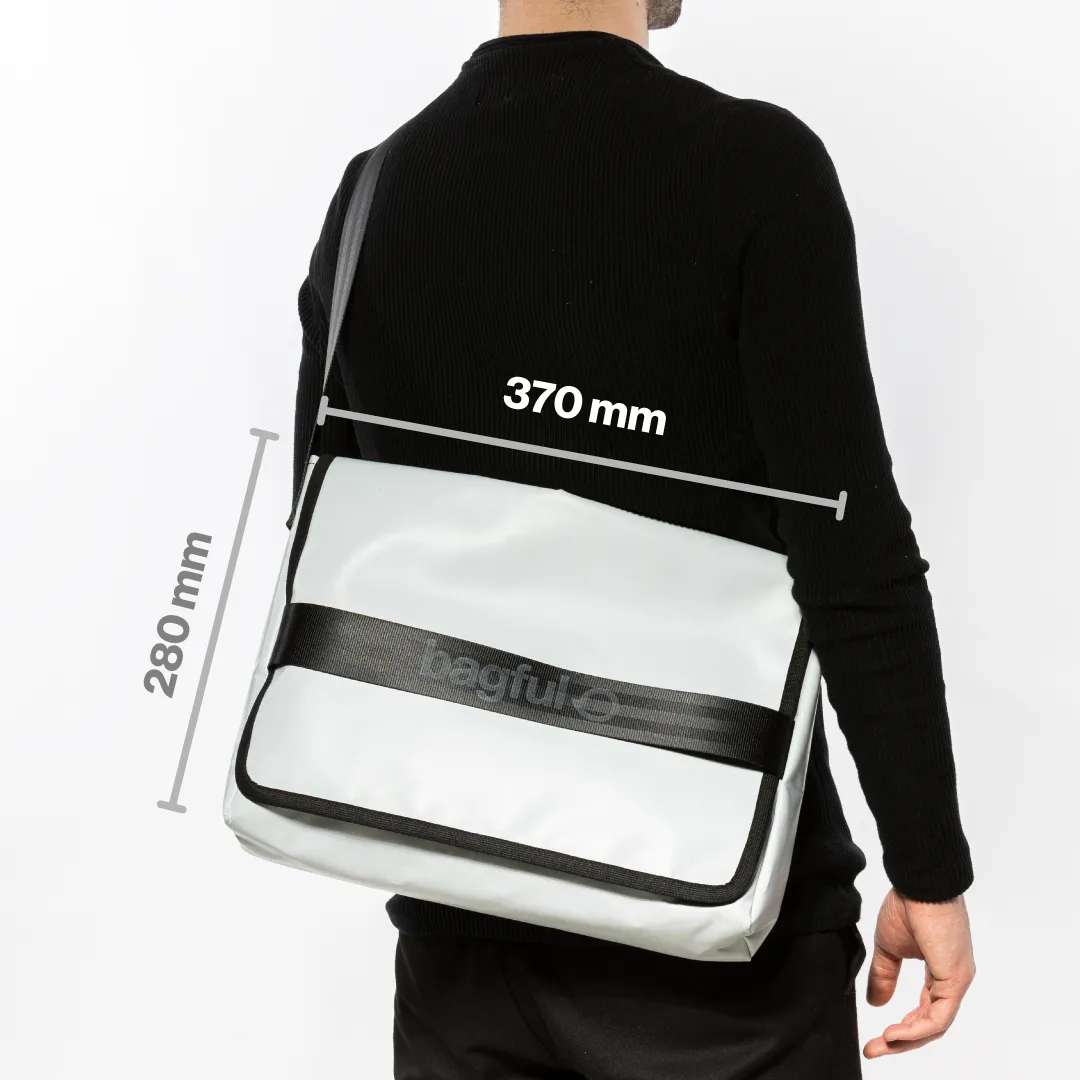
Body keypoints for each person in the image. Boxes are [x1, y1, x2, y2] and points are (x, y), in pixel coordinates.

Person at [292, 2, 976, 1076]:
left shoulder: (375, 192)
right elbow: (852, 551)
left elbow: (325, 533)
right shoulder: (753, 168)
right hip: (721, 929)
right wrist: (928, 866)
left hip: (462, 938)